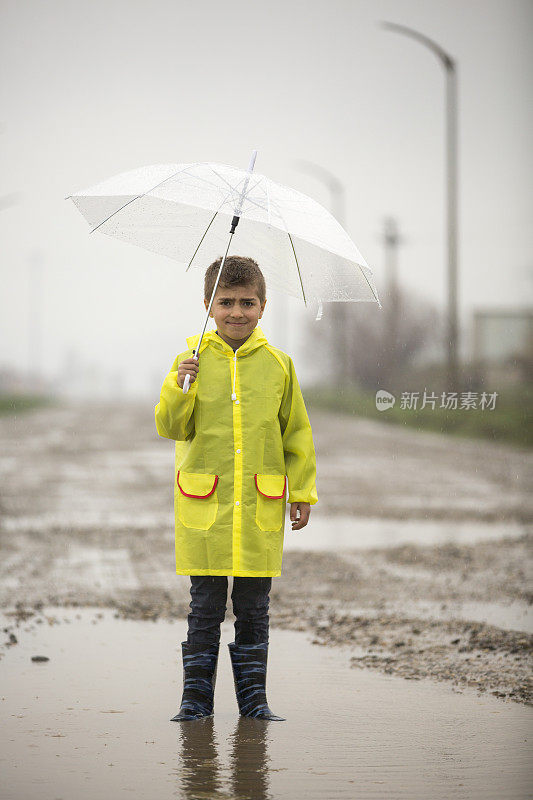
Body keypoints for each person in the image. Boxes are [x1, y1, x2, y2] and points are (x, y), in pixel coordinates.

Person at [154, 255, 318, 722]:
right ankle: (195, 702)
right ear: (208, 304)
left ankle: (254, 702)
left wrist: (302, 492)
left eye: (247, 302)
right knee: (204, 606)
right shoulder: (189, 360)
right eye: (226, 303)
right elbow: (169, 426)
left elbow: (297, 434)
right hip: (204, 507)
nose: (237, 312)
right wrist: (181, 385)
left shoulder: (279, 366)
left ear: (263, 306)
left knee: (254, 608)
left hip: (258, 509)